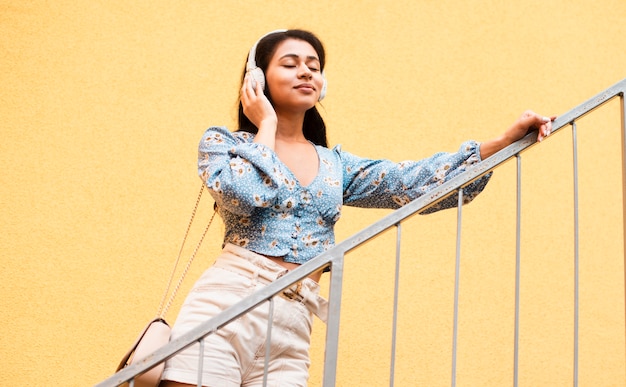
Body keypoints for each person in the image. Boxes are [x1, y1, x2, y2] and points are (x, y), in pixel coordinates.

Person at [160, 29, 555, 387]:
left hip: (294, 323)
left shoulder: (335, 164)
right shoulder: (224, 145)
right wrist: (263, 124)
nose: (306, 73)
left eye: (314, 67)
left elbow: (410, 181)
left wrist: (501, 142)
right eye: (291, 64)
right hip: (227, 304)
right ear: (257, 79)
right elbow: (244, 194)